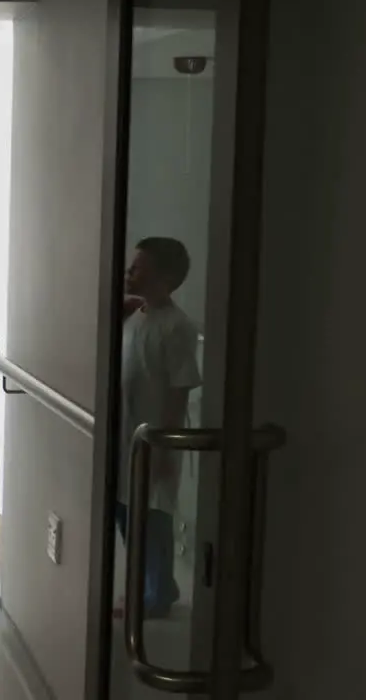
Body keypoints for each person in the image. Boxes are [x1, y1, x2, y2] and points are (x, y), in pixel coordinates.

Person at [117, 236, 202, 620]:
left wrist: (165, 447)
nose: (130, 272)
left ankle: (158, 593)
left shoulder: (177, 327)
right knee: (127, 510)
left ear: (164, 279)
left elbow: (179, 388)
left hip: (154, 436)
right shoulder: (135, 317)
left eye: (139, 267)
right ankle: (148, 587)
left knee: (154, 516)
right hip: (126, 435)